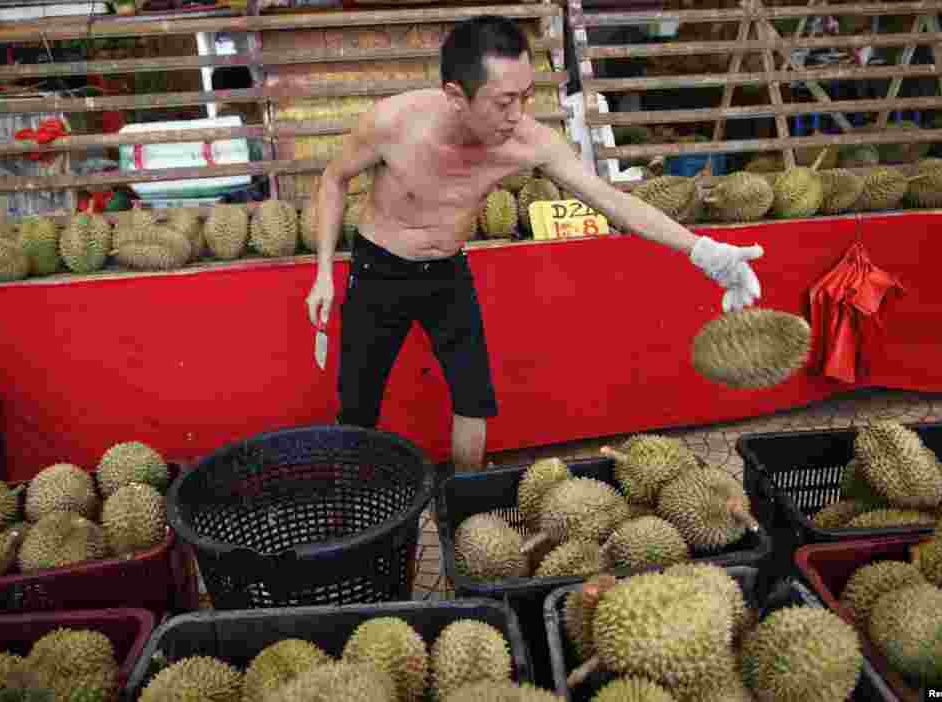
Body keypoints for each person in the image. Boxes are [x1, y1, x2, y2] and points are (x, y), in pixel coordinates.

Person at [305, 15, 764, 473]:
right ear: (456, 97)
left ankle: (467, 498)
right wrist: (324, 273)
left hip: (447, 271)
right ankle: (356, 502)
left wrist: (702, 250)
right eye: (504, 102)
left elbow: (612, 202)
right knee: (359, 404)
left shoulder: (528, 141)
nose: (517, 115)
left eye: (525, 97)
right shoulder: (391, 124)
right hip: (379, 269)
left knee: (473, 396)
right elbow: (333, 180)